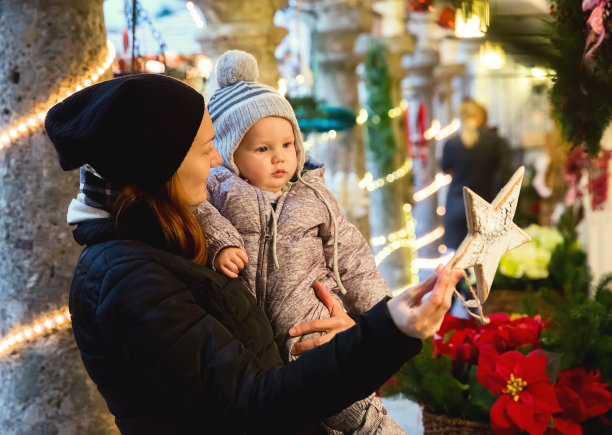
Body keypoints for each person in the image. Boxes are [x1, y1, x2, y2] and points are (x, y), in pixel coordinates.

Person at [45, 73, 462, 434]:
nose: (216, 159)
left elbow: (259, 340)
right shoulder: (127, 279)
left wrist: (338, 337)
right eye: (205, 147)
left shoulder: (175, 235)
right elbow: (254, 403)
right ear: (161, 165)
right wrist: (387, 332)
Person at [195, 50, 400, 434]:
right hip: (252, 336)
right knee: (298, 412)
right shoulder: (219, 190)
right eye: (262, 149)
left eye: (287, 145)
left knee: (343, 402)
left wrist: (381, 315)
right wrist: (221, 243)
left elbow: (353, 255)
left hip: (310, 316)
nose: (280, 158)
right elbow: (197, 212)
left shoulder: (313, 195)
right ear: (229, 151)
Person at [440, 98, 509, 251]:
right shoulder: (495, 142)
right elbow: (504, 173)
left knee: (458, 266)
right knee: (484, 262)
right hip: (484, 206)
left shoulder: (451, 144)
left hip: (457, 207)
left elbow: (445, 168)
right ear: (481, 115)